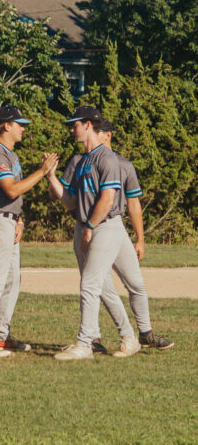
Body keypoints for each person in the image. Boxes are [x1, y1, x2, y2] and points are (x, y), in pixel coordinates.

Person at [44, 105, 138, 361]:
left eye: (75, 124)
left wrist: (90, 227)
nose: (72, 128)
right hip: (89, 225)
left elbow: (107, 199)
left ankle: (85, 344)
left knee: (89, 285)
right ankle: (129, 337)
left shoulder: (105, 158)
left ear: (88, 125)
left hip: (104, 226)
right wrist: (51, 176)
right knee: (103, 287)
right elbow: (71, 202)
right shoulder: (84, 160)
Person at [0, 106, 58, 357]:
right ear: (6, 125)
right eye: (19, 123)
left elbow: (14, 196)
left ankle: (0, 337)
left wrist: (19, 219)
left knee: (11, 282)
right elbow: (10, 189)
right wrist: (42, 172)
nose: (23, 127)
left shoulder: (11, 155)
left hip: (10, 222)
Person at [99, 123, 172, 350]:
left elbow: (133, 202)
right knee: (101, 286)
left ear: (108, 134)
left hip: (117, 226)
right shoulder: (82, 162)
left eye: (97, 130)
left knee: (136, 283)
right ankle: (94, 338)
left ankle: (145, 333)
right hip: (95, 228)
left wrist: (140, 238)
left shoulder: (123, 164)